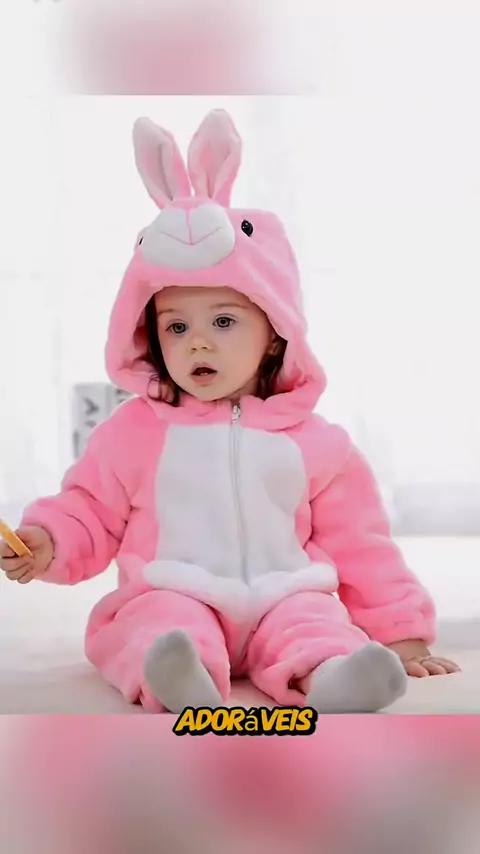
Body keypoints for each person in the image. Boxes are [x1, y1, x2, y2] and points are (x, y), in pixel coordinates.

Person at [0, 109, 460, 714]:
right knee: (156, 623)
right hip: (174, 589)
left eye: (222, 321)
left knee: (314, 626)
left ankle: (333, 678)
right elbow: (89, 509)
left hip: (285, 596)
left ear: (274, 333)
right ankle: (178, 675)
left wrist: (401, 631)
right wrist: (47, 541)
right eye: (176, 326)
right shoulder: (135, 432)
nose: (197, 342)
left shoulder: (317, 444)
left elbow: (360, 543)